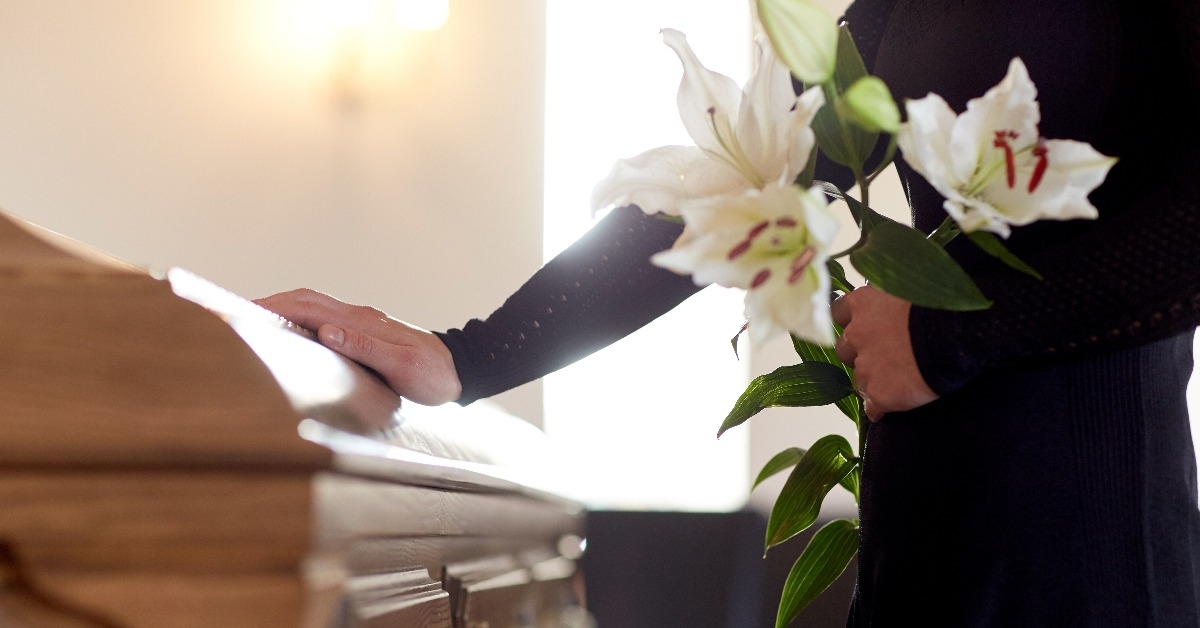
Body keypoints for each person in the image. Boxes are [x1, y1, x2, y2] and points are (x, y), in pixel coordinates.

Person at [256, 0, 1200, 624]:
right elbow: (742, 175)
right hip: (929, 517)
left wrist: (957, 332)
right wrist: (470, 356)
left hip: (1090, 538)